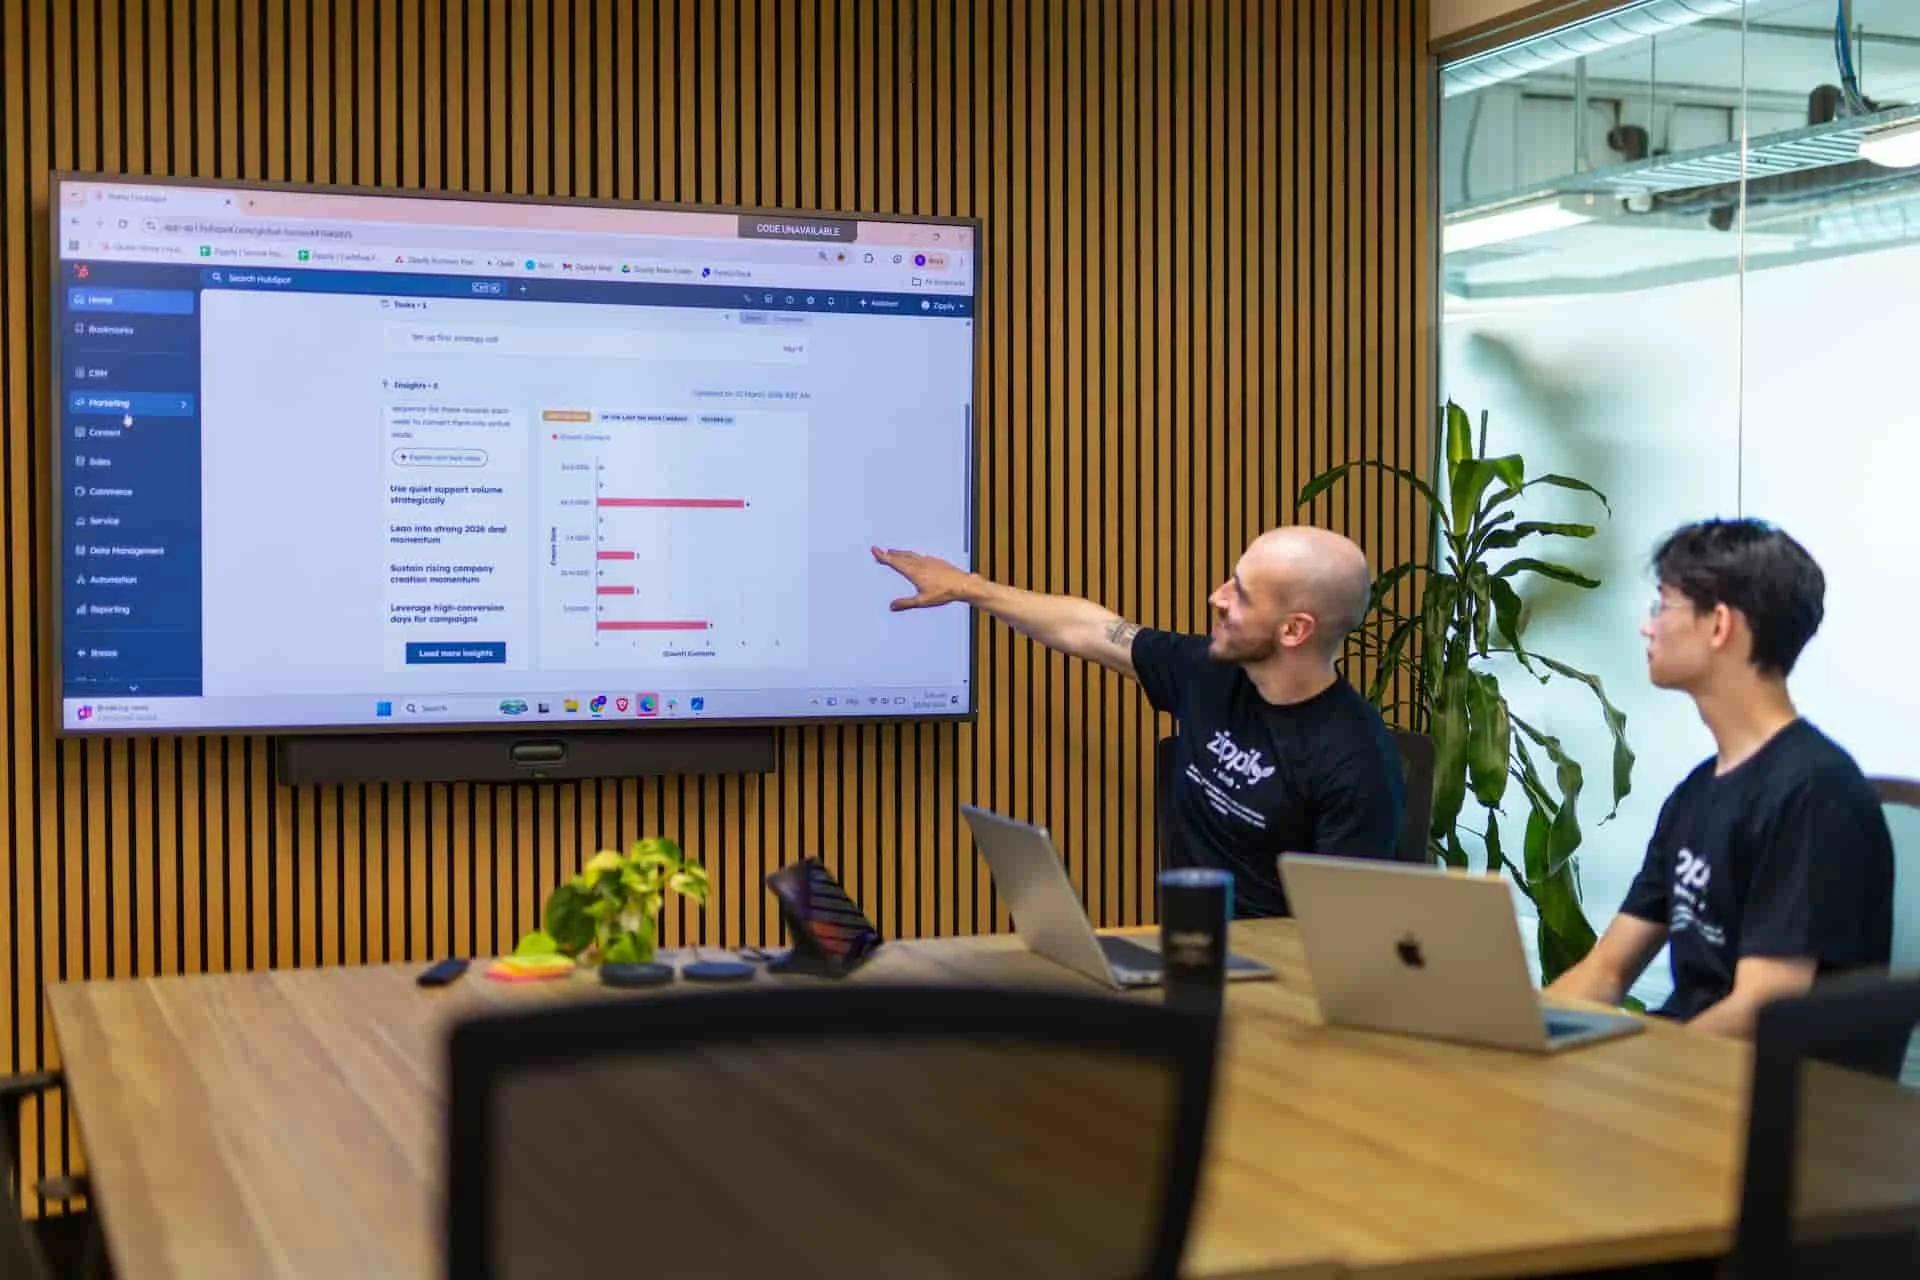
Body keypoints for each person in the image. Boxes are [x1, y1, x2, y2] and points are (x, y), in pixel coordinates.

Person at [872, 526, 1404, 917]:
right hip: (1188, 961)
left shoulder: (1357, 762)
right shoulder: (1209, 673)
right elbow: (1093, 630)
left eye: (1240, 593)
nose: (1215, 597)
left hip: (1275, 994)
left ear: (1294, 629)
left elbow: (1340, 939)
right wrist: (968, 587)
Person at [1547, 518, 1892, 1039]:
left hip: (1756, 1094)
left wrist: (1640, 1071)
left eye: (1663, 605)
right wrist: (1510, 1031)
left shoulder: (1817, 792)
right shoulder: (1697, 792)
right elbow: (1607, 972)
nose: (1648, 626)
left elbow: (1760, 1009)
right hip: (1683, 1069)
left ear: (1719, 625)